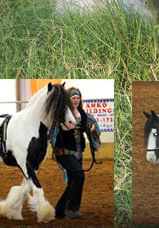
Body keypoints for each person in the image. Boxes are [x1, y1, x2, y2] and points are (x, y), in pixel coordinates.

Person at [50, 87, 100, 219]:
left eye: (78, 98)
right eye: (73, 98)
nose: (76, 100)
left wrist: (91, 128)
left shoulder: (83, 114)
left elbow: (85, 128)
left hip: (78, 152)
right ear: (68, 99)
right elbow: (56, 130)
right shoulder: (62, 114)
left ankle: (59, 211)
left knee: (73, 181)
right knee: (79, 176)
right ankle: (72, 209)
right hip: (64, 152)